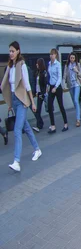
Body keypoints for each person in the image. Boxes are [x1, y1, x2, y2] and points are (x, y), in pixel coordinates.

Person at [2, 41, 42, 171]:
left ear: (18, 51)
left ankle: (16, 161)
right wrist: (9, 103)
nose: (11, 53)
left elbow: (27, 85)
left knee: (18, 130)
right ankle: (37, 149)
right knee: (27, 127)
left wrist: (32, 102)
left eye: (13, 51)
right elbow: (8, 86)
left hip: (22, 101)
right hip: (14, 100)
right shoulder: (10, 66)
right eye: (9, 51)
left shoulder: (22, 65)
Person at [47, 48, 68, 133]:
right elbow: (49, 76)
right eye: (50, 54)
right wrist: (48, 86)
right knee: (49, 106)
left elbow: (59, 77)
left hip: (58, 87)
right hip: (51, 86)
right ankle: (53, 126)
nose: (51, 56)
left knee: (61, 105)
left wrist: (55, 87)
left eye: (52, 54)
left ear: (56, 55)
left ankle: (65, 124)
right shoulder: (49, 64)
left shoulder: (58, 64)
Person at [63, 52, 81, 127]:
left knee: (75, 100)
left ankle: (78, 119)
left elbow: (80, 75)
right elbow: (64, 75)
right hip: (70, 85)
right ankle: (78, 113)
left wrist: (76, 71)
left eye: (73, 58)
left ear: (75, 59)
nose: (72, 59)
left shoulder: (78, 65)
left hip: (77, 84)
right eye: (71, 58)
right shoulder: (67, 65)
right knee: (74, 101)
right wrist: (63, 84)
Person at [31, 58, 47, 132]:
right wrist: (36, 92)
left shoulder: (44, 73)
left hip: (42, 93)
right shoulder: (37, 72)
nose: (36, 64)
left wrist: (43, 93)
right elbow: (37, 84)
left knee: (48, 108)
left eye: (37, 63)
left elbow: (45, 84)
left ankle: (42, 124)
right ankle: (39, 125)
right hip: (39, 93)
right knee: (38, 110)